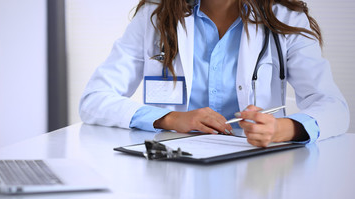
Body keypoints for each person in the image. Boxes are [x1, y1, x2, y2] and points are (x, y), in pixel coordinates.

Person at [79, 0, 349, 147]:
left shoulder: (285, 19)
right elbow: (94, 100)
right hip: (173, 168)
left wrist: (282, 129)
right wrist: (170, 118)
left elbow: (334, 108)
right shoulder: (155, 16)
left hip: (256, 169)